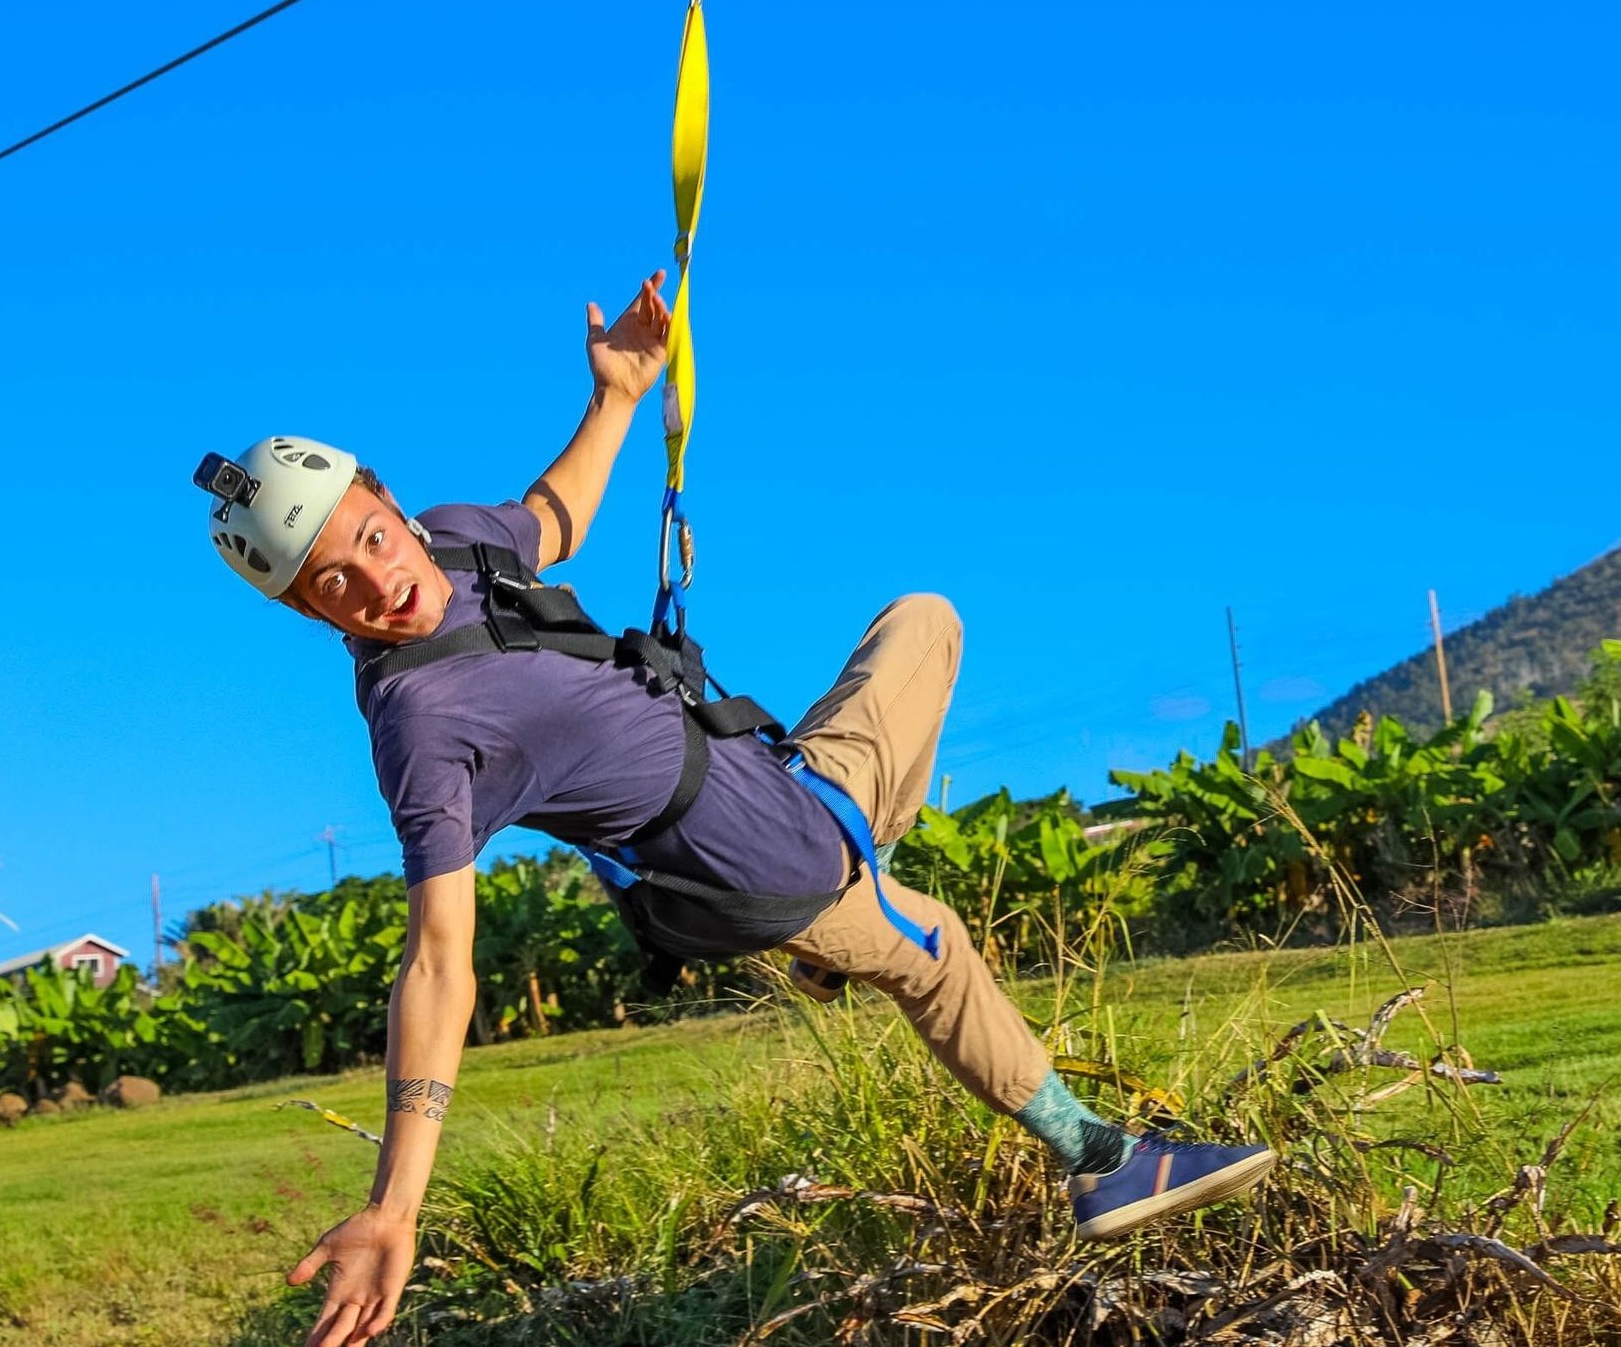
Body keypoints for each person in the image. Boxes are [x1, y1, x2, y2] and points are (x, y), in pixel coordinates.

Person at [200, 272, 1277, 1347]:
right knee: (930, 946)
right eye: (331, 583)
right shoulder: (424, 726)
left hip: (775, 775)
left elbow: (549, 519)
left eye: (369, 538)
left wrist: (619, 395)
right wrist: (396, 1205)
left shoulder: (455, 540)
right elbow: (437, 964)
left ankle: (840, 936)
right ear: (305, 610)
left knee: (920, 625)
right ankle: (1101, 1162)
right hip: (751, 862)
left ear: (387, 500)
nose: (377, 580)